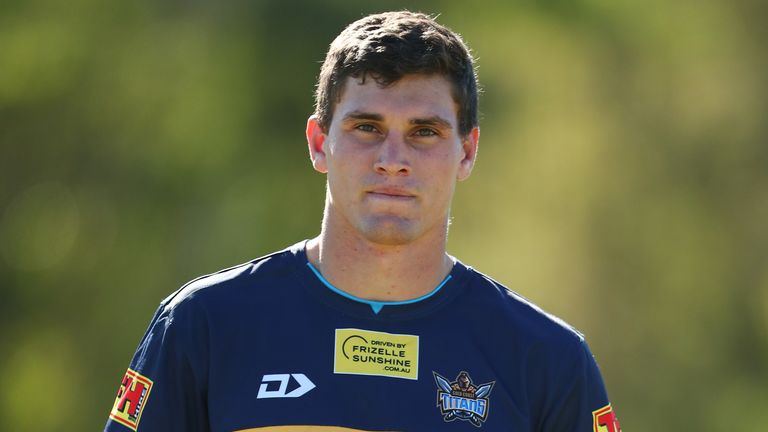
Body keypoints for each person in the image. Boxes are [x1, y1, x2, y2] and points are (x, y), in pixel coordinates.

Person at [105, 11, 621, 432]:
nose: (392, 158)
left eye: (424, 132)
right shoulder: (204, 325)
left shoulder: (548, 361)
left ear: (467, 151)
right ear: (318, 142)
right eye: (367, 126)